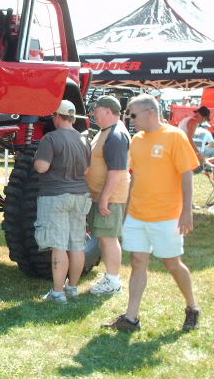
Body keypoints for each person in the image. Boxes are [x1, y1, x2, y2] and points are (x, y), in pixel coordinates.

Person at [103, 94, 201, 331]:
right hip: (138, 214)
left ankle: (192, 307)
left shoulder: (174, 136)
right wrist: (127, 210)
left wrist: (186, 211)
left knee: (172, 264)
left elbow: (187, 174)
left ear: (149, 112)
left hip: (167, 215)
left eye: (133, 114)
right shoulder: (137, 140)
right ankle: (131, 318)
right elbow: (135, 176)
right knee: (138, 261)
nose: (130, 119)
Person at [34, 100, 92, 303]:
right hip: (80, 196)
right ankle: (73, 288)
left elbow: (41, 167)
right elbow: (87, 171)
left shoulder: (50, 139)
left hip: (56, 196)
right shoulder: (84, 140)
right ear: (73, 117)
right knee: (77, 244)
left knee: (58, 245)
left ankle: (58, 293)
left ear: (57, 116)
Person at [86, 96, 131, 295]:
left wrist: (105, 197)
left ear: (107, 111)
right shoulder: (105, 132)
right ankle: (110, 278)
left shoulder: (116, 135)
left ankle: (113, 282)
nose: (94, 113)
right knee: (104, 237)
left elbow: (117, 171)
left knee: (108, 237)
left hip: (110, 197)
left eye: (96, 110)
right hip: (100, 195)